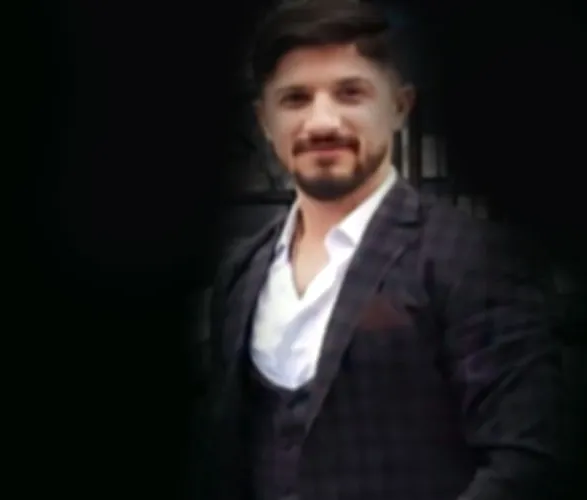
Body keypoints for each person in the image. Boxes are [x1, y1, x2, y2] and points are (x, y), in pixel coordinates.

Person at [196, 1, 566, 499]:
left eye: (350, 93)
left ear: (399, 107)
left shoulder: (469, 255)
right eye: (295, 98)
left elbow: (524, 460)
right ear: (264, 120)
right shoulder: (243, 272)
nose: (321, 122)